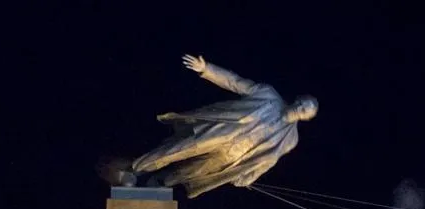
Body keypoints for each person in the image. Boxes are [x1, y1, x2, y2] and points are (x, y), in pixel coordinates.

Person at [122, 53, 318, 198]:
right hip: (221, 133)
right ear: (296, 100)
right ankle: (137, 169)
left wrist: (250, 176)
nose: (299, 108)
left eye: (304, 111)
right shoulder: (268, 95)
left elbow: (270, 159)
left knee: (187, 173)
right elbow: (235, 82)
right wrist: (206, 69)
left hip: (231, 157)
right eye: (301, 103)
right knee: (177, 149)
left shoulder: (291, 139)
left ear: (305, 119)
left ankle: (160, 183)